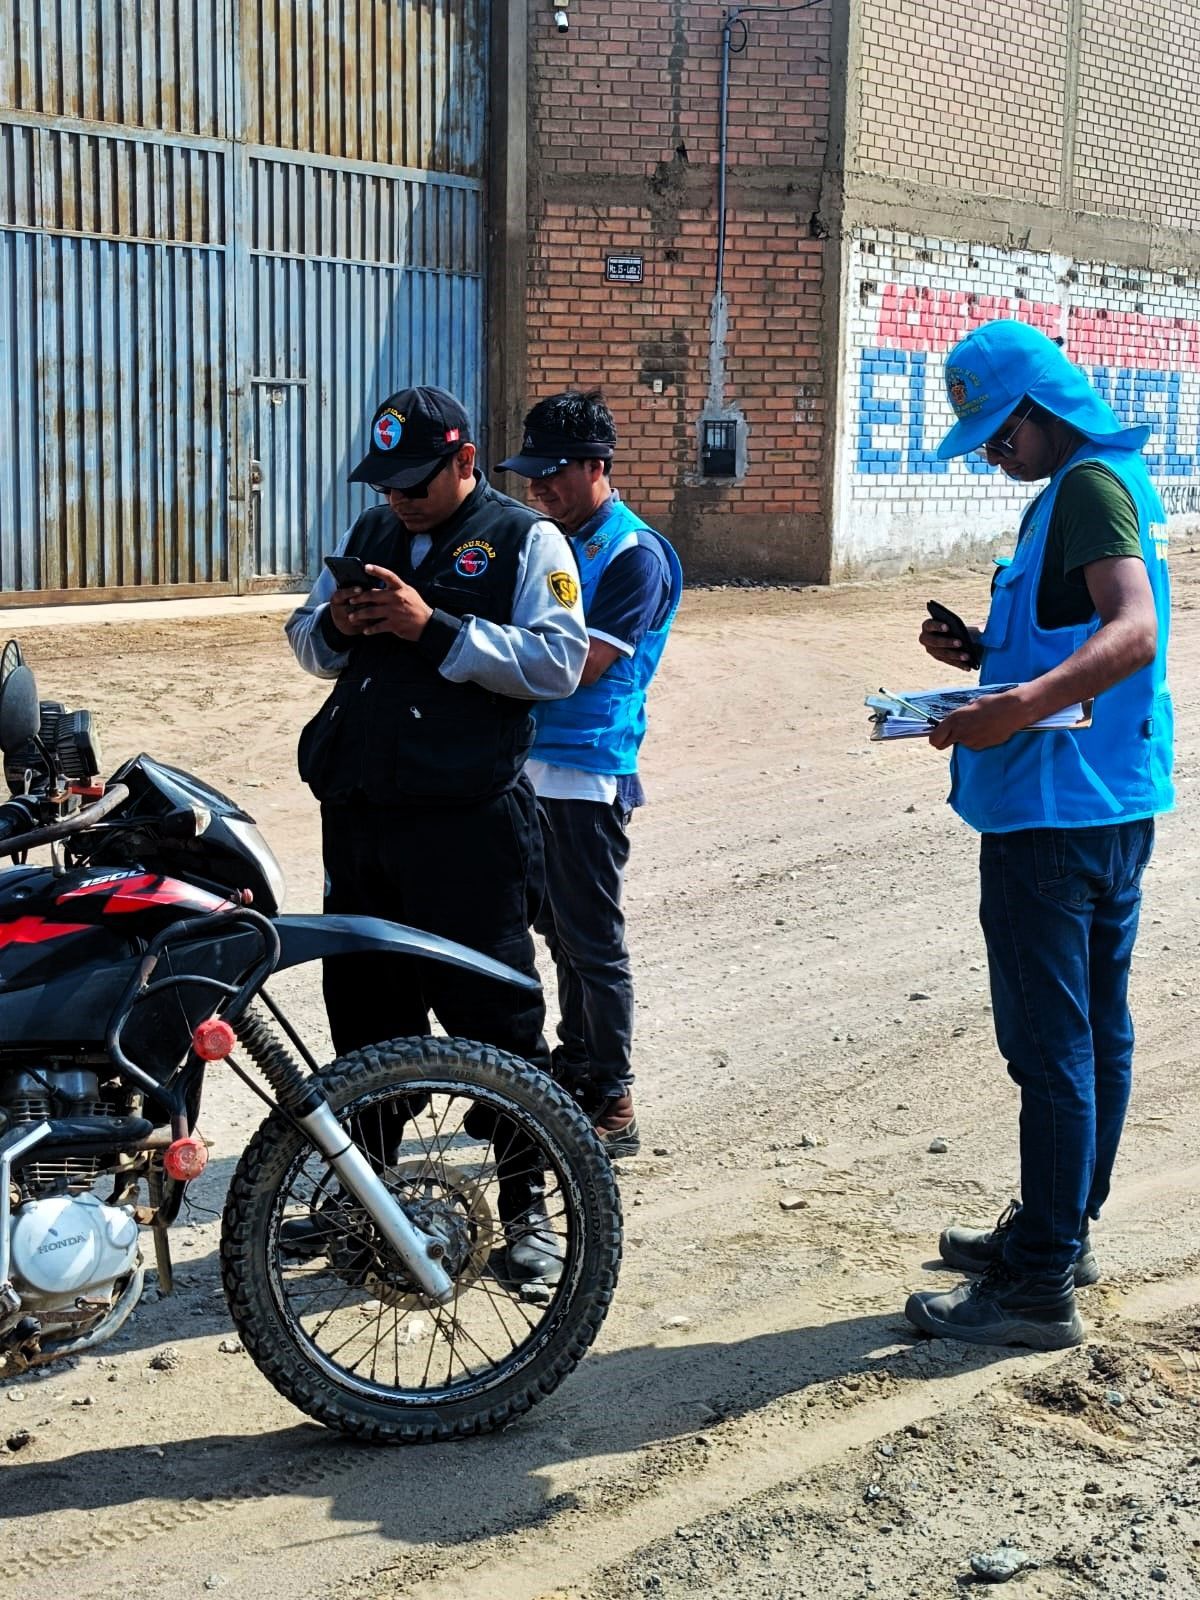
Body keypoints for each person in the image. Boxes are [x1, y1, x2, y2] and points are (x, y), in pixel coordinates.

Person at [902, 320, 1173, 1350]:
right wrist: (981, 653)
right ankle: (1063, 1231)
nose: (991, 454)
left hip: (1052, 817)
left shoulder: (1087, 488)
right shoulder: (1090, 486)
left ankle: (1037, 1284)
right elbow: (1071, 635)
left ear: (1042, 408)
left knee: (1053, 1047)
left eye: (998, 434)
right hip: (1104, 801)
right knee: (1094, 1034)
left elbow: (1132, 630)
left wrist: (1009, 709)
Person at [285, 385, 588, 1281]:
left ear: (465, 461)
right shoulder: (371, 533)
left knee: (496, 1022)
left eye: (416, 482)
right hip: (362, 819)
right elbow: (304, 639)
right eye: (387, 484)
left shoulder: (527, 540)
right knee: (364, 1019)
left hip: (467, 827)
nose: (399, 500)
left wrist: (436, 629)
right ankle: (364, 1200)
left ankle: (527, 1206)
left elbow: (559, 661)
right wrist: (336, 625)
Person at [497, 391, 682, 1156]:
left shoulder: (633, 554)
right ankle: (577, 1071)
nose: (537, 486)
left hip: (585, 772)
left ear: (595, 466)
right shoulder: (549, 541)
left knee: (592, 943)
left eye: (552, 472)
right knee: (556, 934)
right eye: (531, 472)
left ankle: (612, 1098)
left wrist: (479, 658)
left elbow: (583, 665)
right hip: (529, 764)